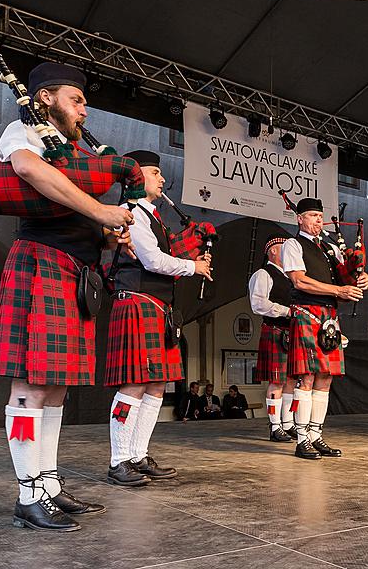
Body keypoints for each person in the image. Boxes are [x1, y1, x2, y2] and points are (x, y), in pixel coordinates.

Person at [0, 62, 135, 531]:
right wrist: (99, 210)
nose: (85, 111)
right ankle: (28, 494)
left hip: (74, 269)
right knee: (31, 384)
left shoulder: (70, 152)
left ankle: (47, 484)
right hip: (41, 262)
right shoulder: (22, 131)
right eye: (78, 100)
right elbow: (28, 170)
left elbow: (76, 208)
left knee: (55, 385)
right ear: (46, 97)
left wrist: (108, 234)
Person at [104, 150, 213, 487]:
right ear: (135, 177)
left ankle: (138, 454)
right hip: (137, 303)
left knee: (155, 385)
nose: (162, 179)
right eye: (154, 172)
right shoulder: (131, 213)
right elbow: (151, 261)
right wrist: (193, 266)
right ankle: (118, 460)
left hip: (157, 307)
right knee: (134, 383)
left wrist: (191, 245)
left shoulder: (153, 217)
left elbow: (166, 256)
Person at [281, 197, 368, 460]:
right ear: (299, 219)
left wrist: (358, 281)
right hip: (307, 313)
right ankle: (301, 439)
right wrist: (338, 289)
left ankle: (316, 435)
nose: (317, 221)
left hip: (329, 316)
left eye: (320, 217)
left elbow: (343, 284)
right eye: (311, 216)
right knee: (306, 377)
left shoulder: (330, 249)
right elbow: (299, 281)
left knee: (325, 377)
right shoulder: (292, 244)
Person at [248, 236, 296, 442]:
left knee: (292, 381)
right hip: (275, 330)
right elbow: (258, 304)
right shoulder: (263, 274)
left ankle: (288, 423)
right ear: (273, 251)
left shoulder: (292, 277)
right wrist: (287, 312)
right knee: (277, 381)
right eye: (283, 248)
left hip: (293, 333)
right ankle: (275, 426)